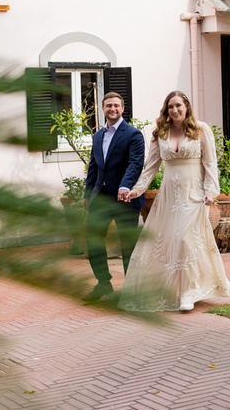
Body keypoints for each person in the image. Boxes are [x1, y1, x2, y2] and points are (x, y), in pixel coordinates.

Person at [121, 91, 230, 311]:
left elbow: (211, 164)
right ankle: (170, 288)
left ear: (186, 106)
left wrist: (211, 191)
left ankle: (188, 293)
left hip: (194, 194)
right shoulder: (161, 132)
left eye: (178, 105)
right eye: (170, 106)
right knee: (169, 242)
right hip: (168, 196)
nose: (174, 110)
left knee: (185, 240)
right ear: (166, 110)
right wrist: (136, 190)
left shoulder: (201, 130)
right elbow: (150, 166)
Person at [82, 92, 146, 302]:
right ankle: (103, 283)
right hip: (101, 198)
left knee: (128, 245)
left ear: (122, 109)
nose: (113, 109)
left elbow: (135, 164)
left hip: (124, 198)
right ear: (103, 108)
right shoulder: (98, 136)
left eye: (116, 105)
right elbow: (94, 167)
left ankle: (131, 290)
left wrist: (125, 186)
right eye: (109, 105)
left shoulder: (133, 134)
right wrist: (87, 194)